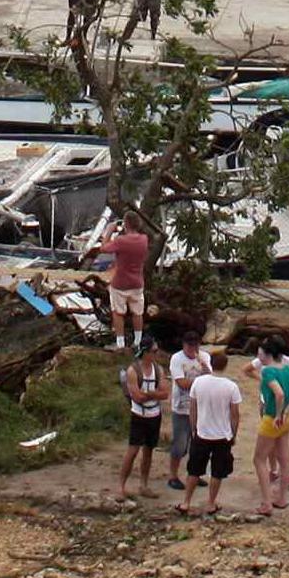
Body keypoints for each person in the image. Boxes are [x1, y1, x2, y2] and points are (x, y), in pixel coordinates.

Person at [183, 351, 243, 516]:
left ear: (211, 363)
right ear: (225, 365)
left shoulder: (198, 383)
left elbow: (193, 408)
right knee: (218, 471)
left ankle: (186, 501)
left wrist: (193, 428)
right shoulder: (231, 386)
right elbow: (235, 414)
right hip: (222, 435)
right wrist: (234, 434)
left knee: (194, 469)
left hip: (202, 433)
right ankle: (210, 503)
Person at [250, 339, 289, 514]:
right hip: (286, 420)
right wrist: (287, 411)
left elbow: (278, 393)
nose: (258, 356)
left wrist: (278, 414)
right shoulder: (287, 369)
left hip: (272, 418)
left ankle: (266, 502)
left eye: (260, 353)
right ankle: (282, 498)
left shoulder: (268, 371)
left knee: (259, 459)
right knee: (284, 458)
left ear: (268, 354)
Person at [118, 338, 169, 497]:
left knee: (149, 451)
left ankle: (144, 485)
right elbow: (137, 397)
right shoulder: (133, 371)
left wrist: (149, 394)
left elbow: (165, 393)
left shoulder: (158, 369)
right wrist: (154, 394)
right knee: (132, 450)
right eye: (154, 351)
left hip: (154, 415)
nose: (157, 353)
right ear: (145, 352)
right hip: (139, 415)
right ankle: (121, 486)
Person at [166, 333, 212, 492]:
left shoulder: (204, 356)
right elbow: (181, 383)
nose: (192, 349)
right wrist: (200, 381)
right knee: (180, 444)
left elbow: (210, 378)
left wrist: (204, 367)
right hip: (181, 407)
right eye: (189, 345)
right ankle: (173, 475)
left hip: (200, 407)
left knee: (198, 444)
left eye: (195, 345)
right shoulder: (177, 359)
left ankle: (194, 473)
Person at [98, 208, 149, 350]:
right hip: (137, 282)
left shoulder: (121, 241)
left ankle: (120, 344)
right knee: (137, 312)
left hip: (120, 282)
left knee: (118, 312)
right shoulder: (144, 239)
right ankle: (138, 342)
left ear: (125, 224)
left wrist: (109, 230)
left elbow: (103, 248)